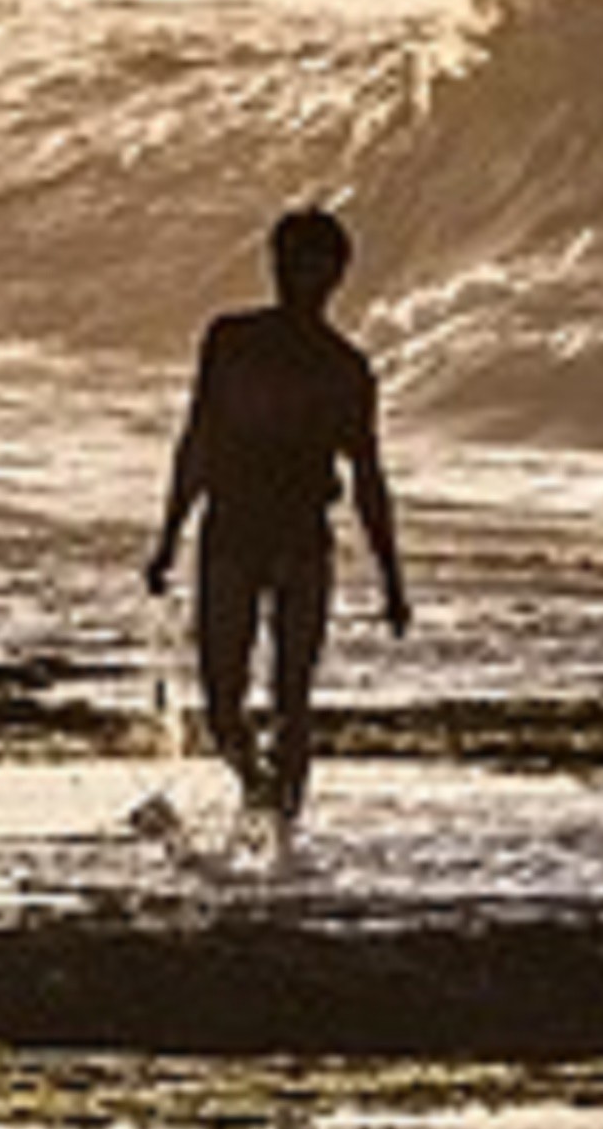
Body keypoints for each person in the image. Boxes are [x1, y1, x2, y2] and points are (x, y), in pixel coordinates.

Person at [145, 205, 408, 834]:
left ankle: (282, 836)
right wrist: (168, 538)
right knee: (220, 704)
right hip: (230, 530)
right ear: (275, 265)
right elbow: (198, 442)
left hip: (302, 540)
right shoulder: (230, 342)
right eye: (293, 264)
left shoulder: (345, 370)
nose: (303, 279)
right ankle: (257, 788)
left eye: (318, 267)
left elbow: (368, 478)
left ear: (338, 276)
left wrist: (392, 581)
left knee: (293, 698)